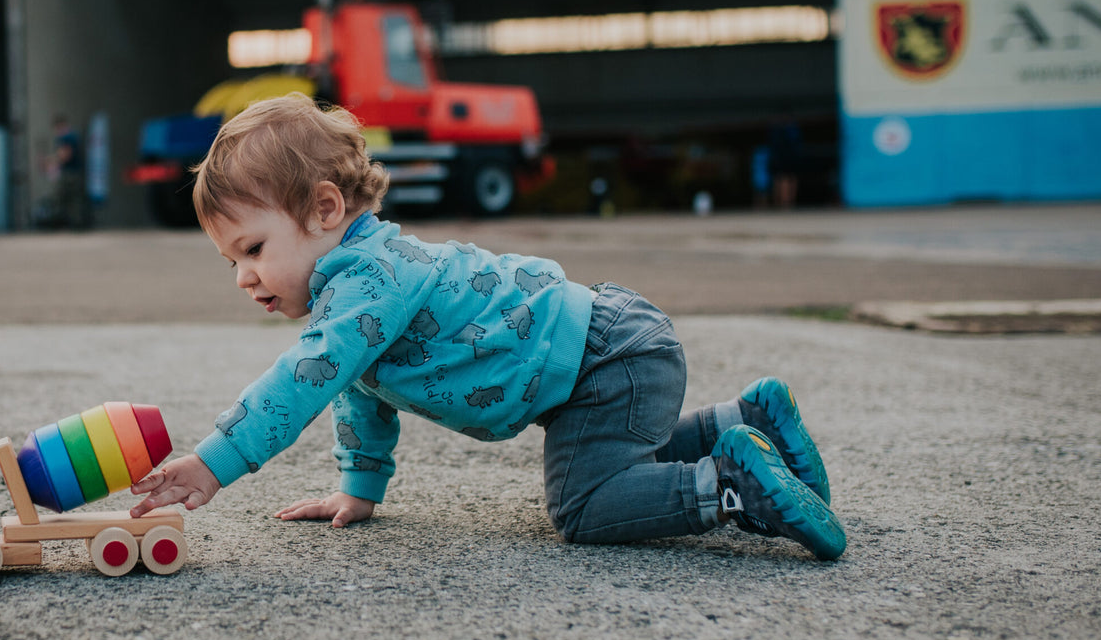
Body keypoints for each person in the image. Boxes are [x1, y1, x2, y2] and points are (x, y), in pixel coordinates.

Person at [130, 93, 844, 560]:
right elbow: (355, 391)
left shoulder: (373, 278)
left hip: (605, 364)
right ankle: (750, 420)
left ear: (323, 209)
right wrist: (360, 487)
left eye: (252, 249)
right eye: (229, 261)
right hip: (605, 364)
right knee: (614, 457)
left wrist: (215, 460)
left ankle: (729, 483)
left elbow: (307, 377)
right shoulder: (358, 291)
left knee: (586, 506)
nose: (243, 276)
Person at [43, 113, 90, 229]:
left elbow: (65, 156)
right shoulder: (73, 136)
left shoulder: (66, 138)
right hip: (74, 172)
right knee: (73, 199)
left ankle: (71, 224)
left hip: (70, 173)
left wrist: (50, 160)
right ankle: (75, 223)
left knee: (66, 199)